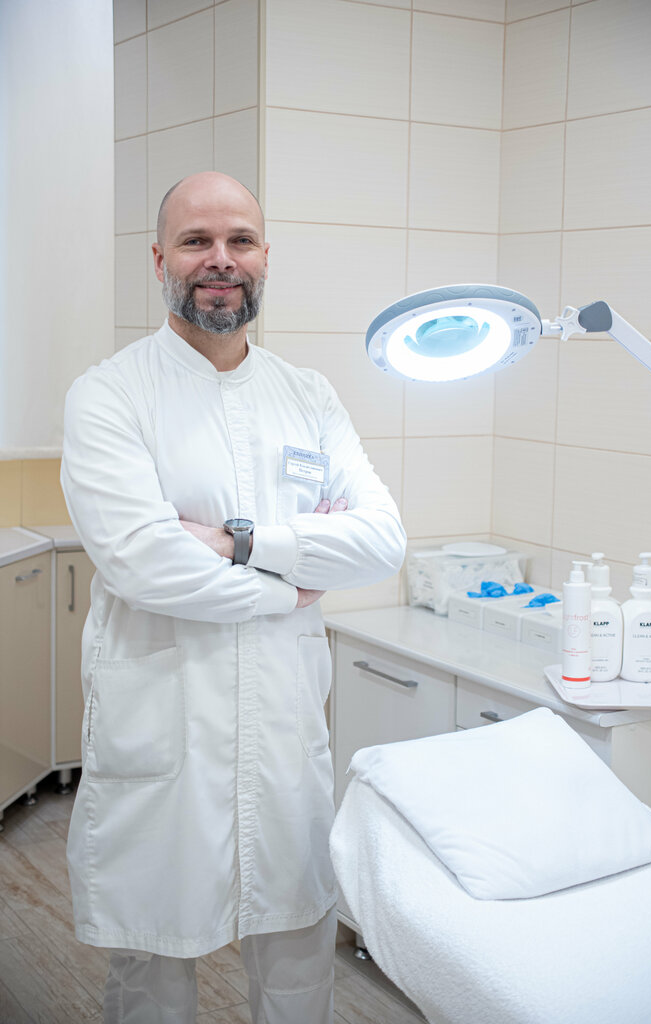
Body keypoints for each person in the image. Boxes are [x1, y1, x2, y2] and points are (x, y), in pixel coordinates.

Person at [60, 171, 406, 1024]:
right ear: (160, 260)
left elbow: (381, 542)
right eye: (196, 241)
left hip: (283, 734)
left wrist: (241, 543)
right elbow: (144, 564)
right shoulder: (110, 395)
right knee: (152, 970)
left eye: (240, 240)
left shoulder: (308, 395)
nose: (221, 260)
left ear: (264, 257)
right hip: (162, 731)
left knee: (298, 964)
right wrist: (293, 588)